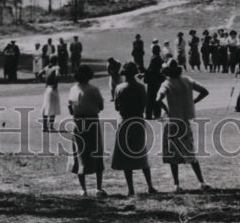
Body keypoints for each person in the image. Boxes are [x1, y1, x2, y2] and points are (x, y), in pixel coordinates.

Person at [156, 59, 209, 191]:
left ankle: (176, 184)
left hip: (172, 121)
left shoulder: (167, 83)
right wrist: (192, 102)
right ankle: (201, 181)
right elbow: (204, 91)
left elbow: (158, 99)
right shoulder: (187, 80)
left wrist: (166, 109)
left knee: (173, 153)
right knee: (190, 150)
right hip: (185, 121)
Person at [112, 62, 156, 197]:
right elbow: (145, 104)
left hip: (124, 121)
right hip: (137, 120)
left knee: (126, 155)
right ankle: (150, 185)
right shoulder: (141, 87)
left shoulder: (119, 87)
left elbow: (117, 107)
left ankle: (131, 189)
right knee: (140, 151)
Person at [67, 65, 107, 197]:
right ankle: (98, 187)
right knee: (96, 152)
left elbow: (70, 109)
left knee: (80, 153)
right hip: (91, 121)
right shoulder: (93, 89)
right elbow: (100, 106)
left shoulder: (73, 89)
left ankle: (83, 188)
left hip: (78, 122)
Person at [143, 43, 164, 119]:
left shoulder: (154, 58)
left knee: (150, 98)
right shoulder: (160, 58)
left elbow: (149, 70)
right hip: (158, 81)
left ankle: (148, 114)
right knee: (157, 97)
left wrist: (144, 75)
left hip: (152, 81)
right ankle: (157, 113)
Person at [41, 62, 61, 132]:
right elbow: (57, 75)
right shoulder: (56, 67)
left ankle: (44, 127)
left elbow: (39, 74)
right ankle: (51, 126)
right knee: (53, 108)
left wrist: (45, 80)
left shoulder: (47, 67)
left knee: (45, 107)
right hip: (53, 89)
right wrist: (56, 81)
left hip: (47, 88)